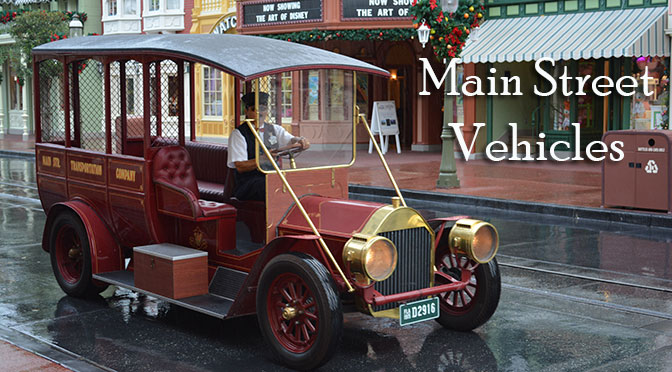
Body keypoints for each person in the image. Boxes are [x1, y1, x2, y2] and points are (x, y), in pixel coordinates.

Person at [227, 92, 309, 201]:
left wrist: (300, 140)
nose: (260, 113)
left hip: (273, 176)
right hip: (249, 183)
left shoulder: (274, 129)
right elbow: (240, 166)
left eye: (263, 109)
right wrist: (263, 159)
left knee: (298, 180)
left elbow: (290, 140)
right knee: (271, 185)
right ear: (246, 111)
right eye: (254, 110)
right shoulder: (239, 134)